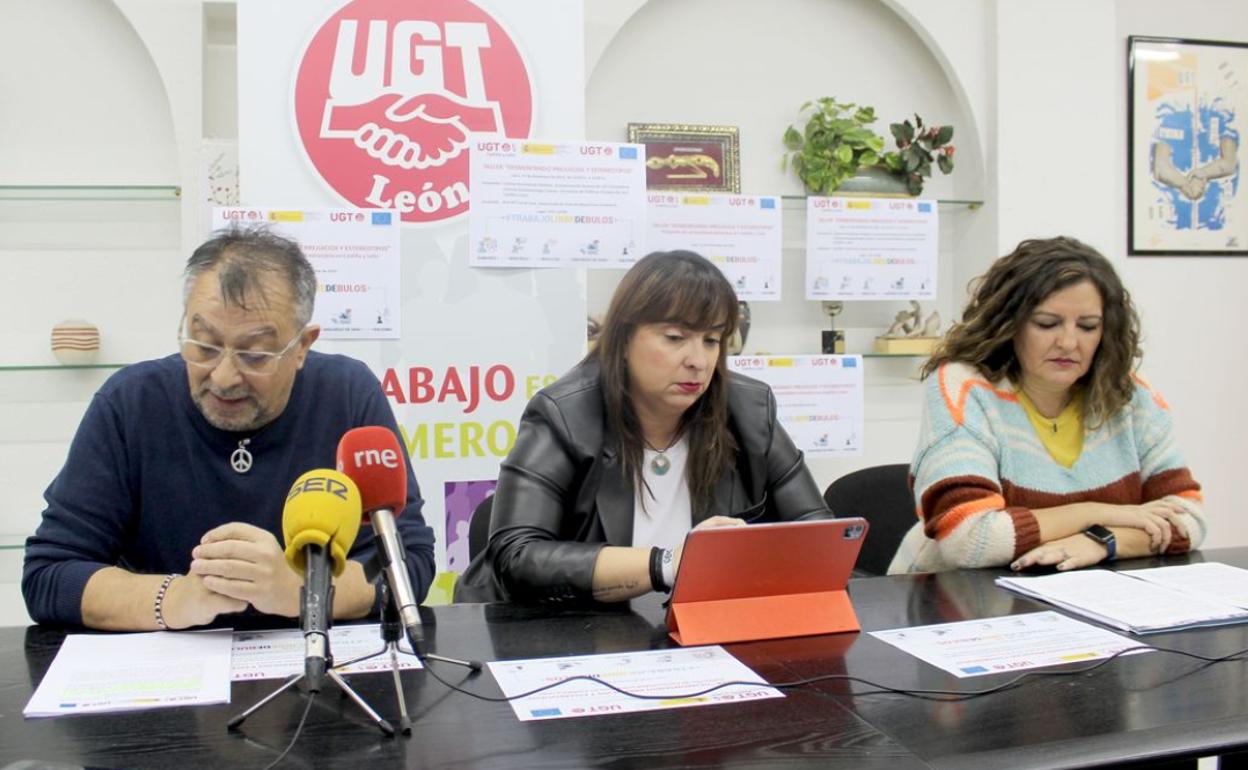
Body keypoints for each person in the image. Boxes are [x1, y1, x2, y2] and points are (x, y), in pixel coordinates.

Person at [23, 227, 435, 630]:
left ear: (303, 346)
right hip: (171, 673)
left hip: (320, 667)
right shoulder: (130, 403)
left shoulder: (347, 394)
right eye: (203, 347)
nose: (222, 377)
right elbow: (50, 574)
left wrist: (302, 591)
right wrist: (176, 598)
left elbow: (408, 562)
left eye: (255, 355)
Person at [455, 250, 831, 604]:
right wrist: (665, 564)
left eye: (711, 340)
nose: (698, 361)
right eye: (675, 338)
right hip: (562, 627)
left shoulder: (748, 410)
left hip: (691, 628)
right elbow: (517, 556)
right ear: (622, 340)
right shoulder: (563, 414)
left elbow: (819, 534)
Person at [889, 236, 1205, 574]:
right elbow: (969, 541)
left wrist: (1102, 541)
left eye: (1088, 327)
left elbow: (1189, 518)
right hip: (949, 601)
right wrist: (1099, 513)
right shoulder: (964, 386)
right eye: (1046, 323)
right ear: (1010, 324)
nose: (1069, 342)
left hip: (1078, 596)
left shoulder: (1128, 397)